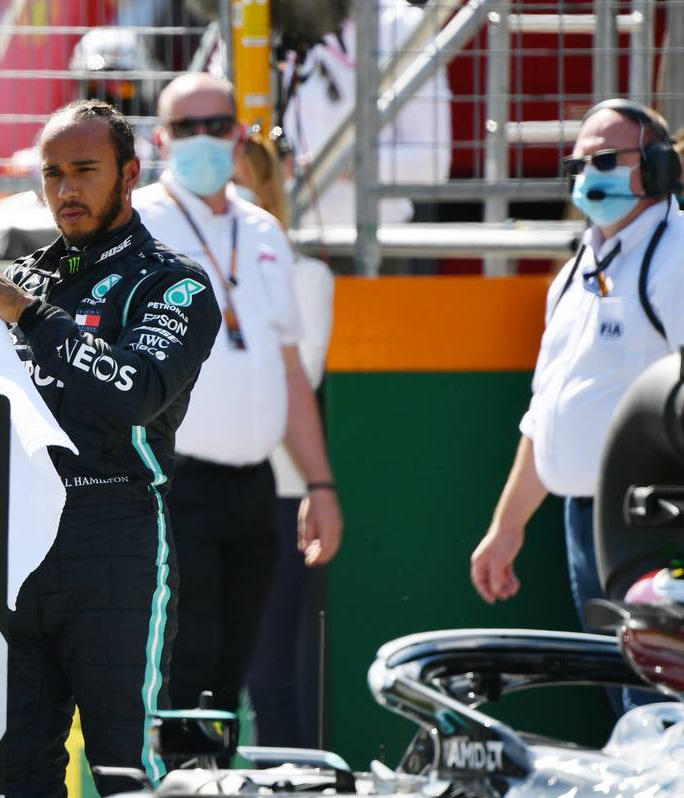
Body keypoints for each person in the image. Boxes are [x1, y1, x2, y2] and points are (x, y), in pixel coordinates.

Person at [0, 99, 221, 796]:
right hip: (14, 542)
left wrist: (29, 315)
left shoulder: (174, 283)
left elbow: (138, 390)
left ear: (128, 174)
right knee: (13, 771)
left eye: (84, 170)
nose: (64, 189)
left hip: (114, 537)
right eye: (52, 174)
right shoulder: (17, 280)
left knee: (125, 767)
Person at [132, 72, 343, 721]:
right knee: (178, 665)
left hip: (252, 488)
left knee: (233, 669)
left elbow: (287, 372)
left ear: (239, 135)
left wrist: (320, 484)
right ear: (162, 139)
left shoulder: (261, 230)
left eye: (216, 126)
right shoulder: (136, 221)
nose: (203, 140)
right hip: (170, 482)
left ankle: (212, 781)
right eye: (186, 128)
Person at [471, 100, 684, 697]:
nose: (590, 174)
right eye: (580, 162)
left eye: (608, 159)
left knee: (659, 697)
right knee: (625, 695)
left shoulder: (676, 258)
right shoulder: (575, 271)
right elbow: (547, 411)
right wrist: (507, 526)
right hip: (584, 521)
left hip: (655, 520)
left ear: (659, 167)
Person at [232, 131, 337, 746]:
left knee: (269, 677)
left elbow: (292, 380)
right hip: (196, 492)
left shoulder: (307, 277)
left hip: (279, 497)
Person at [281, 0, 451, 228]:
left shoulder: (401, 24)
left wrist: (337, 165)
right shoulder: (256, 15)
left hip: (372, 241)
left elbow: (432, 163)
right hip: (264, 240)